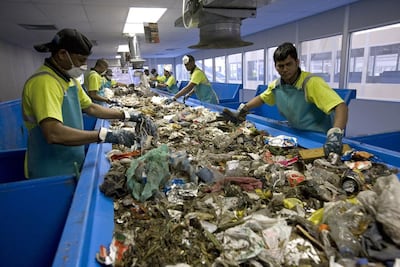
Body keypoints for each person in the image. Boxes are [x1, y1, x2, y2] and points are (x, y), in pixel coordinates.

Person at [21, 28, 157, 179]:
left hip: (71, 160)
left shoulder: (68, 80)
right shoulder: (45, 82)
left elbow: (90, 107)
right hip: (50, 169)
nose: (84, 65)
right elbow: (53, 133)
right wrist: (106, 135)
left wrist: (129, 115)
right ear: (62, 54)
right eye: (80, 60)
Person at [226, 42, 348, 157]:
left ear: (297, 62)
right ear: (275, 66)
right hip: (296, 134)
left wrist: (335, 135)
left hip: (318, 139)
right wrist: (243, 109)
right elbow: (262, 98)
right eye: (280, 66)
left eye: (289, 64)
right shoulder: (277, 86)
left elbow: (340, 106)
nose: (284, 69)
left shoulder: (311, 83)